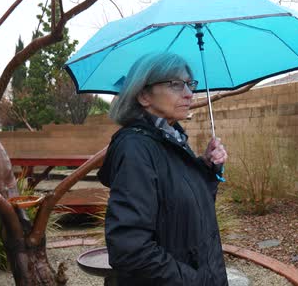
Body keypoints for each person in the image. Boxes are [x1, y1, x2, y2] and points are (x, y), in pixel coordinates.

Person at [97, 52, 229, 285]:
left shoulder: (171, 139)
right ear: (144, 95)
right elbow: (130, 250)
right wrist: (195, 281)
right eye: (176, 84)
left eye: (190, 84)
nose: (189, 94)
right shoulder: (136, 150)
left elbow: (188, 215)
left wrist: (207, 169)